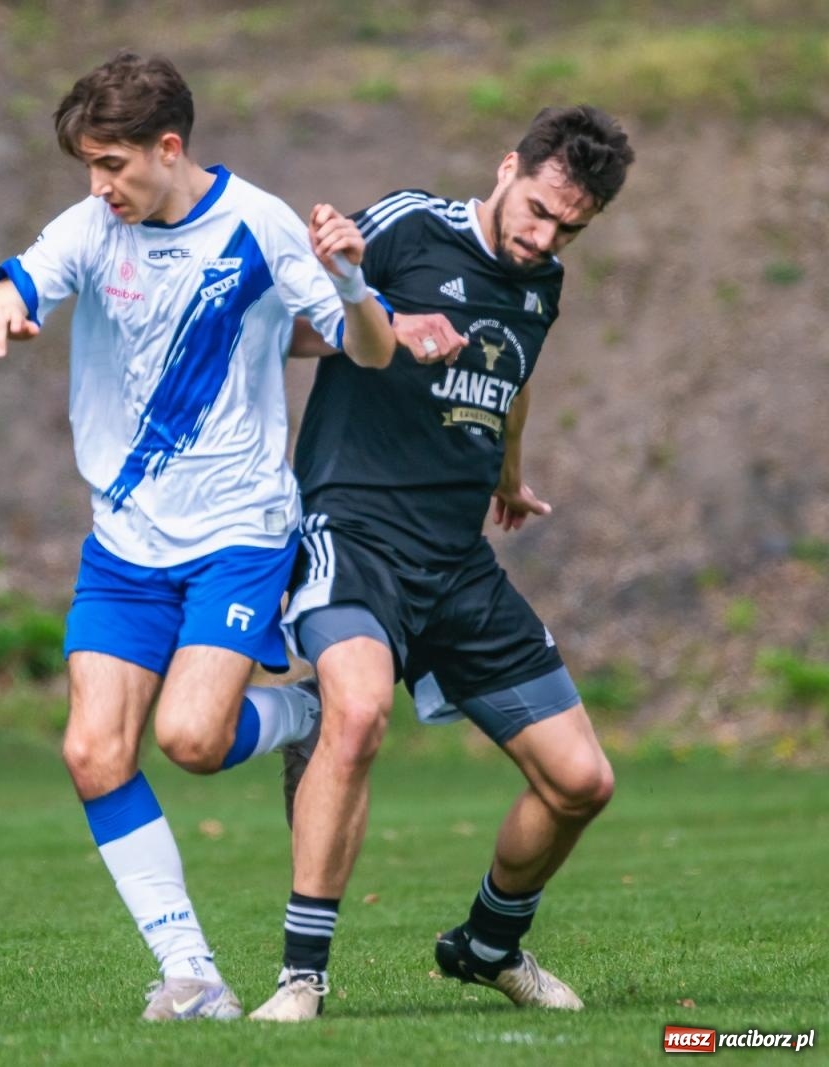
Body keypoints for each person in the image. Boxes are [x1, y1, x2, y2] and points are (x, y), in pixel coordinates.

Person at [0, 51, 395, 1020]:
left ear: (168, 147)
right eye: (88, 169)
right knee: (92, 751)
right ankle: (190, 971)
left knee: (190, 737)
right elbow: (6, 295)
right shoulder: (88, 228)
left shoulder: (260, 226)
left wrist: (354, 287)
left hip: (238, 530)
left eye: (112, 165)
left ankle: (304, 716)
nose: (99, 186)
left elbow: (372, 350)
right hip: (124, 541)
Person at [248, 105, 637, 1022]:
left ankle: (487, 946)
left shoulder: (544, 283)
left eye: (568, 227)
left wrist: (508, 471)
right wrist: (364, 294)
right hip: (355, 528)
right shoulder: (407, 225)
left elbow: (519, 371)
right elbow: (290, 321)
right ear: (509, 166)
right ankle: (301, 976)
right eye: (537, 209)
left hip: (456, 555)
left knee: (583, 781)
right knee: (359, 710)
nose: (543, 237)